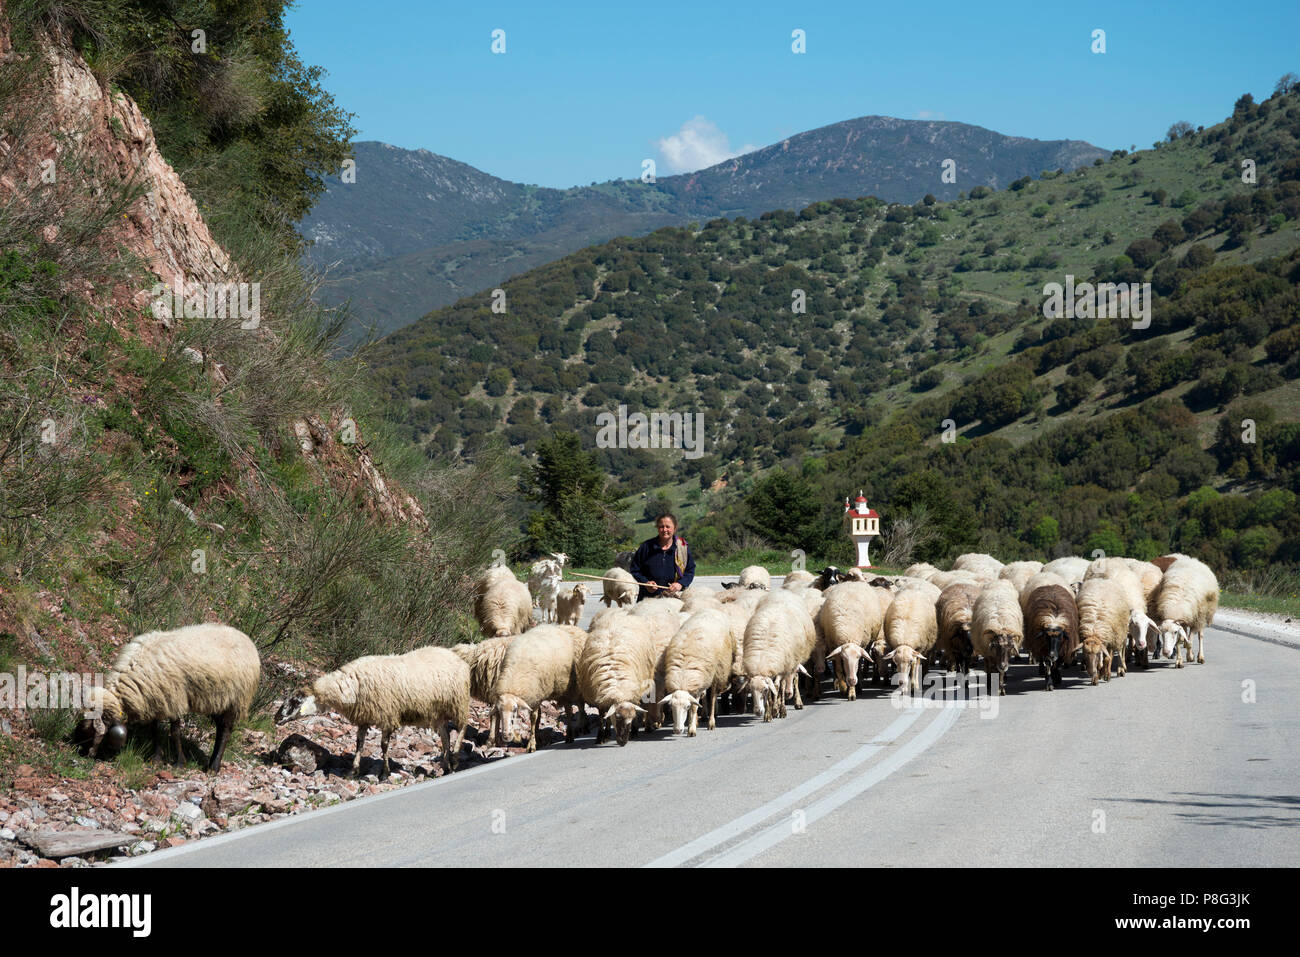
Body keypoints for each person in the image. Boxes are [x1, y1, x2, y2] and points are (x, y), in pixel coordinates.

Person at [628, 513, 694, 600]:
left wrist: (680, 584)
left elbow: (690, 571)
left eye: (668, 526)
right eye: (661, 527)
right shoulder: (646, 547)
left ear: (675, 528)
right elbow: (635, 570)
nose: (664, 529)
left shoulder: (682, 548)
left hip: (673, 600)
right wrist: (645, 583)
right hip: (647, 599)